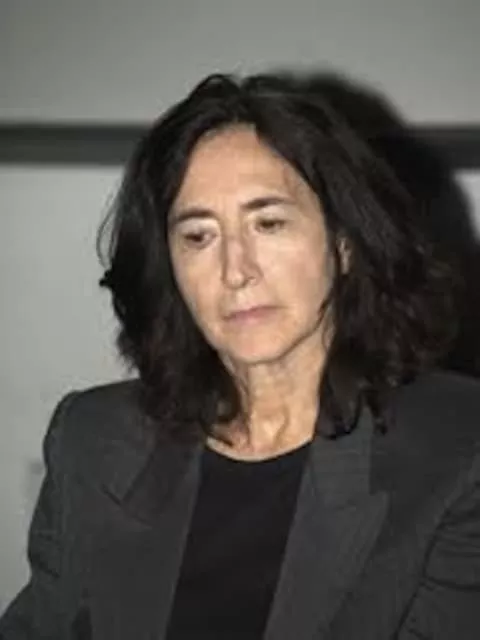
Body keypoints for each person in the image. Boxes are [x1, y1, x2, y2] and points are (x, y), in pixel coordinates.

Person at [1, 71, 479, 640]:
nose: (235, 270)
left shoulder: (456, 448)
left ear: (345, 242)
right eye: (198, 237)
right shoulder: (93, 438)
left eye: (268, 223)